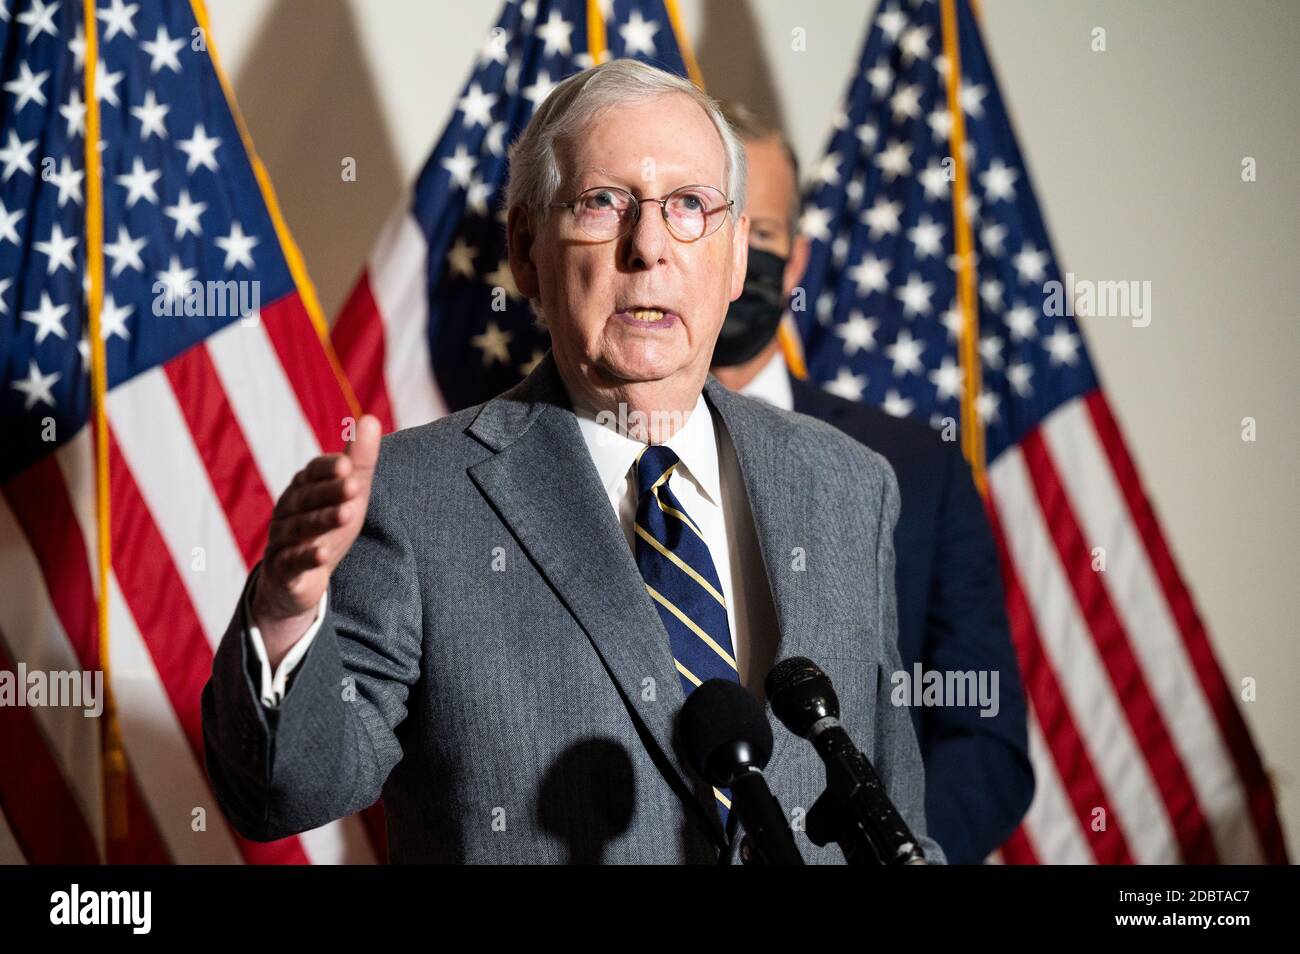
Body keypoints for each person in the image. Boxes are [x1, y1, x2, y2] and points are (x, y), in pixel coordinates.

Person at [202, 60, 944, 865]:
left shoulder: (846, 486)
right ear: (525, 250)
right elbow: (286, 792)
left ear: (735, 258)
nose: (649, 248)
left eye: (691, 206)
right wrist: (281, 617)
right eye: (602, 204)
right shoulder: (417, 501)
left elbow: (890, 812)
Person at [709, 102, 1033, 863]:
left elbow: (984, 738)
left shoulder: (912, 469)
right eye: (716, 219)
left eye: (762, 235)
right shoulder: (601, 446)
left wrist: (891, 851)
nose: (738, 257)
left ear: (797, 260)